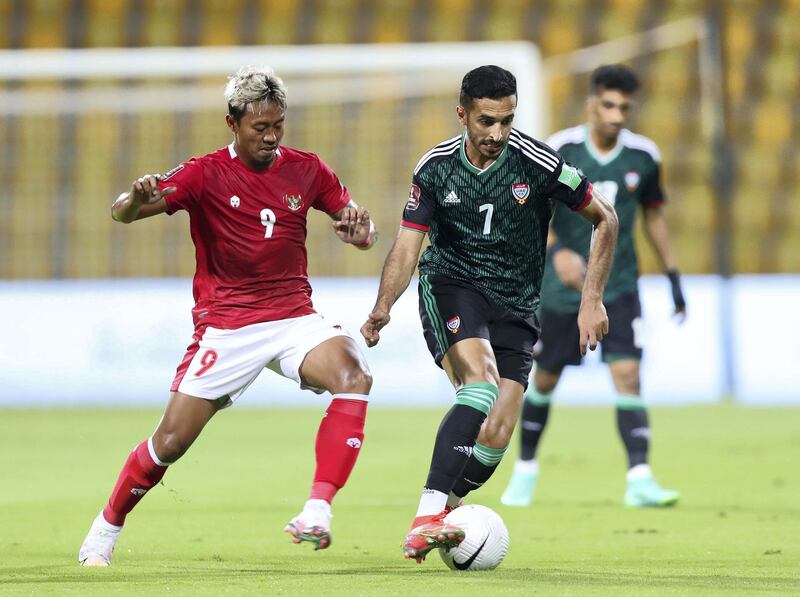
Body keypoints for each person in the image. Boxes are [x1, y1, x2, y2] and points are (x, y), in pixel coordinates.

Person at [78, 66, 378, 566]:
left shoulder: (307, 169)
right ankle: (105, 528)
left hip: (292, 318)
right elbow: (121, 213)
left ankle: (317, 510)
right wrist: (135, 197)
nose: (271, 136)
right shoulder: (204, 173)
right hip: (228, 326)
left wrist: (360, 232)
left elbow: (362, 231)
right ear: (232, 123)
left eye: (278, 124)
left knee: (355, 373)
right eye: (260, 127)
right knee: (169, 443)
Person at [360, 65, 618, 563]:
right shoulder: (434, 168)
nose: (498, 133)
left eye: (506, 120)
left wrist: (591, 299)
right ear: (462, 114)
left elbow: (604, 218)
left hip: (518, 305)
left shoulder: (538, 162)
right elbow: (409, 243)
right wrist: (382, 307)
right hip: (453, 286)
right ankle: (427, 515)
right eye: (486, 121)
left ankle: (449, 517)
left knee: (497, 435)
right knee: (479, 385)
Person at [501, 64, 685, 509]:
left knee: (628, 375)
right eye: (609, 104)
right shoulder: (560, 150)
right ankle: (525, 470)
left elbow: (655, 216)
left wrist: (674, 274)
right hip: (561, 292)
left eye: (625, 107)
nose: (617, 115)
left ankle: (640, 478)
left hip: (619, 286)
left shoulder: (643, 156)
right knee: (544, 378)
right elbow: (528, 211)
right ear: (592, 103)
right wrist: (557, 250)